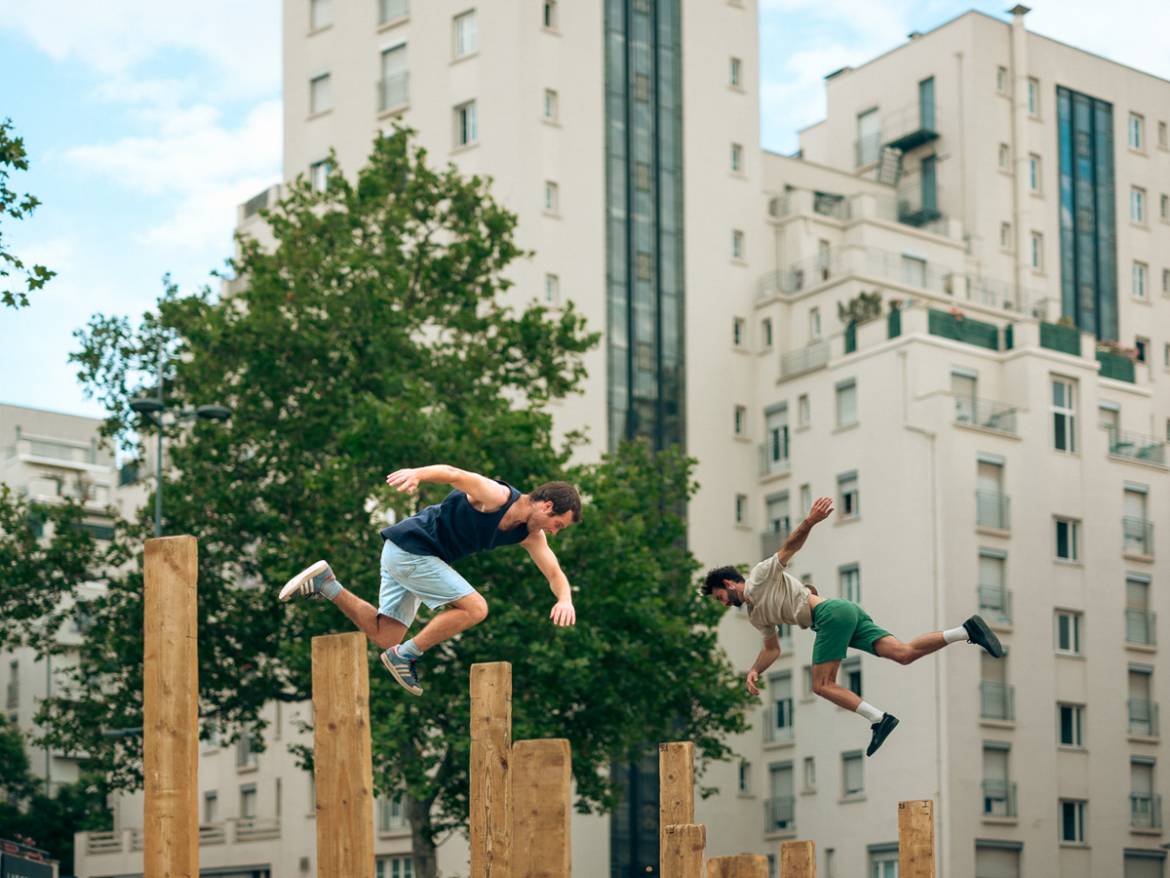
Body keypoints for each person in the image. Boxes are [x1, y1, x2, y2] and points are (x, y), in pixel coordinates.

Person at [702, 496, 1003, 756]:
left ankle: (878, 719)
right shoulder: (756, 615)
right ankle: (966, 631)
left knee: (821, 685)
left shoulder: (758, 576)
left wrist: (810, 521)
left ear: (729, 583)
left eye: (721, 597)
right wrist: (756, 670)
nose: (724, 604)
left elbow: (789, 547)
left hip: (830, 616)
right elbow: (772, 648)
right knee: (904, 653)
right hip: (843, 613)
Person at [280, 464, 581, 696]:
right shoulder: (497, 496)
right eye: (558, 525)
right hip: (413, 551)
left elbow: (555, 573)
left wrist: (564, 598)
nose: (553, 532)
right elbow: (454, 474)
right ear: (547, 506)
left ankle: (326, 583)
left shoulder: (530, 535)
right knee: (476, 608)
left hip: (405, 554)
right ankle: (405, 656)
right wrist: (417, 474)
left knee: (386, 637)